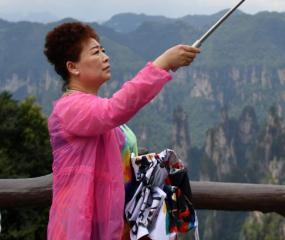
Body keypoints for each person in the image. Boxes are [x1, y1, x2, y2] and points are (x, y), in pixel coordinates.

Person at [43, 21, 200, 239]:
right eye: (96, 52)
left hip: (116, 226)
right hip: (82, 228)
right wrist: (161, 64)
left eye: (104, 51)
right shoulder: (68, 109)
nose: (105, 57)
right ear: (73, 67)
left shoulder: (91, 107)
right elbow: (113, 110)